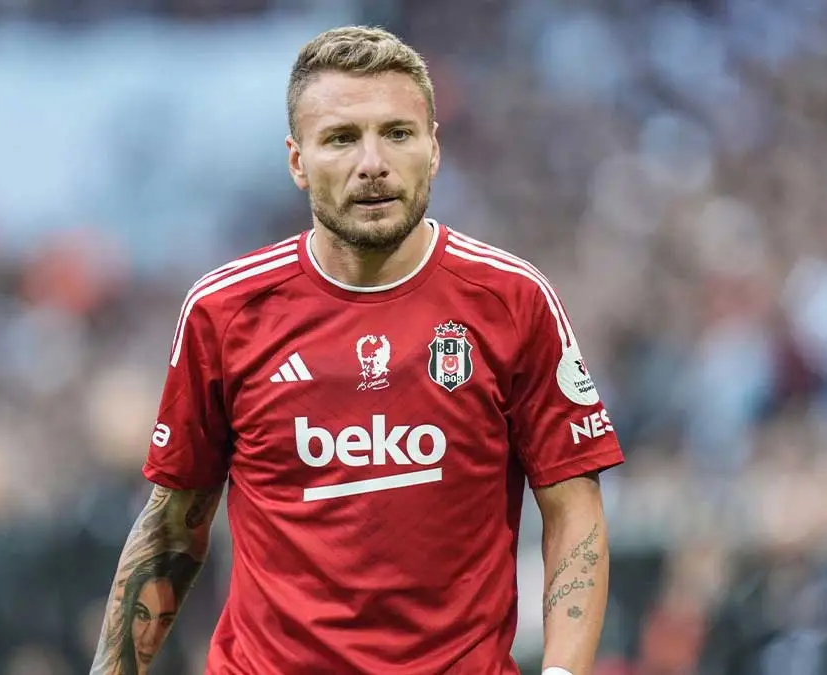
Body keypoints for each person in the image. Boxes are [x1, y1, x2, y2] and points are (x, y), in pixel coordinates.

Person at [90, 25, 624, 675]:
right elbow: (174, 524)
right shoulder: (224, 312)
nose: (373, 162)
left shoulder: (514, 301)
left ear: (434, 148)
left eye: (397, 133)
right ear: (296, 161)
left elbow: (574, 509)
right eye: (342, 138)